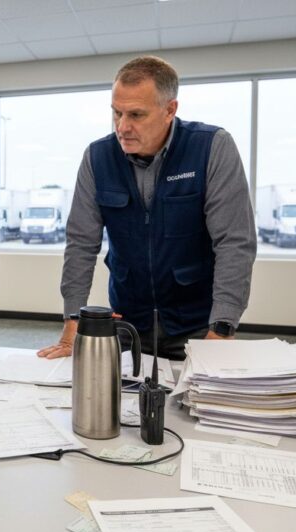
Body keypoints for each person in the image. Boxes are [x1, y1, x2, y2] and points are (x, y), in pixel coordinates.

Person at [38, 56, 256, 362]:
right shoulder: (97, 157)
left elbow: (235, 242)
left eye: (136, 115)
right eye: (117, 113)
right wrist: (73, 320)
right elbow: (81, 243)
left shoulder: (211, 147)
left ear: (170, 110)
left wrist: (222, 328)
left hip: (198, 326)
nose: (122, 127)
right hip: (128, 323)